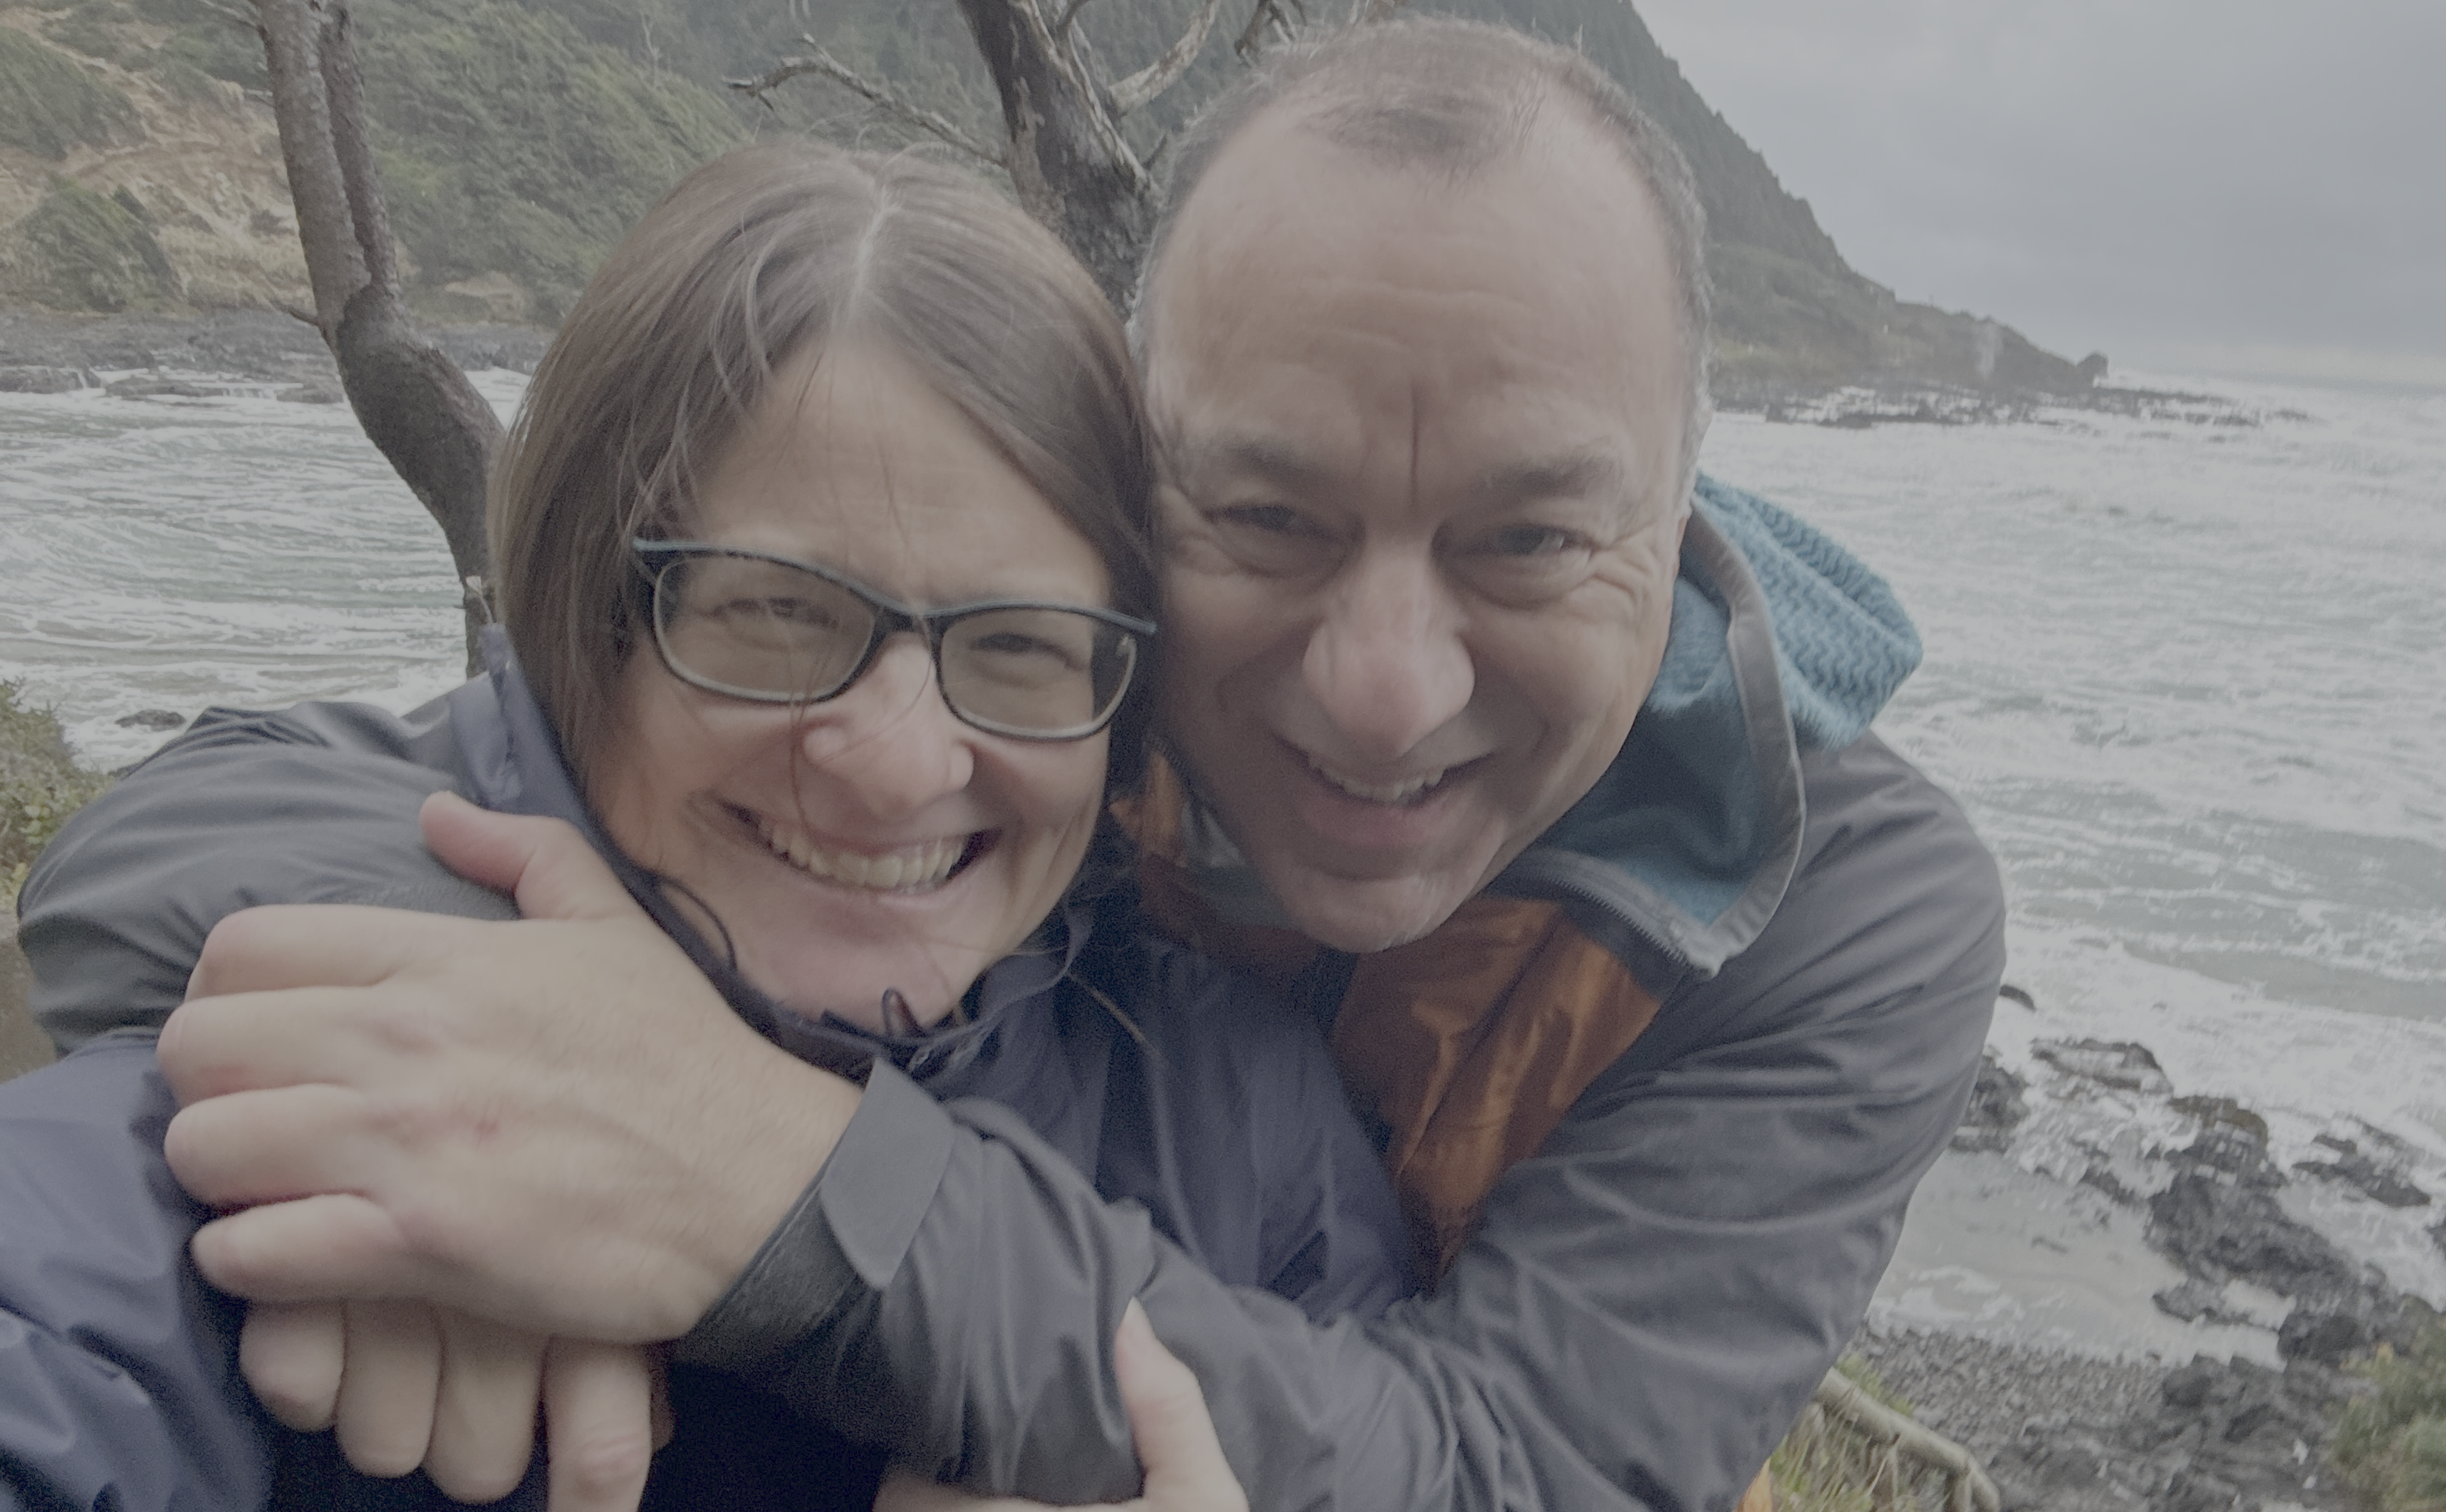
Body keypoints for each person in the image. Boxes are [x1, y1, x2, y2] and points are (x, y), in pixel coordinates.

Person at [28, 17, 2007, 1511]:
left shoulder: (1839, 908)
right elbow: (351, 792)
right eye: (1270, 513)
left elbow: (1502, 1469)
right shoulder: (1048, 679)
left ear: (1685, 522)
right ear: (1127, 496)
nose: (1385, 691)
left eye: (1525, 538)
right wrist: (408, 1061)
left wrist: (765, 1176)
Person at [0, 141, 1410, 1509]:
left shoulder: (1244, 1134)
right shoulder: (335, 1099)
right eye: (778, 613)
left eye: (1022, 646)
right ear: (588, 619)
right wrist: (493, 1046)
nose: (897, 763)